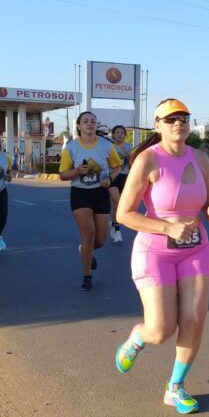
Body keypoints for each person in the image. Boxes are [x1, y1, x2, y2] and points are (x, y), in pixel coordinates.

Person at [113, 98, 209, 415]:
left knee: (194, 319)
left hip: (197, 248)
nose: (179, 123)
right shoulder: (148, 160)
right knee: (160, 330)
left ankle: (175, 388)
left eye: (184, 117)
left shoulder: (200, 158)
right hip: (156, 251)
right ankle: (137, 338)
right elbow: (124, 214)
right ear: (157, 125)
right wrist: (167, 228)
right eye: (171, 118)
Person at [59, 111, 122, 291]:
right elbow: (63, 175)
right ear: (78, 126)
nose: (90, 124)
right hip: (80, 194)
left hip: (100, 193)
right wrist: (77, 171)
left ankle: (85, 250)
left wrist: (109, 179)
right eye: (85, 121)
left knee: (100, 240)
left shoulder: (105, 145)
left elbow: (117, 166)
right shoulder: (71, 147)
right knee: (89, 234)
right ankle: (87, 276)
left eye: (93, 121)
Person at [108, 125, 132, 244]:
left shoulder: (128, 147)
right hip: (113, 177)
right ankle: (117, 231)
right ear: (113, 135)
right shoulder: (109, 147)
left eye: (122, 133)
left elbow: (132, 162)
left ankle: (113, 223)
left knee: (120, 205)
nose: (119, 134)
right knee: (116, 201)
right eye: (117, 132)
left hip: (125, 177)